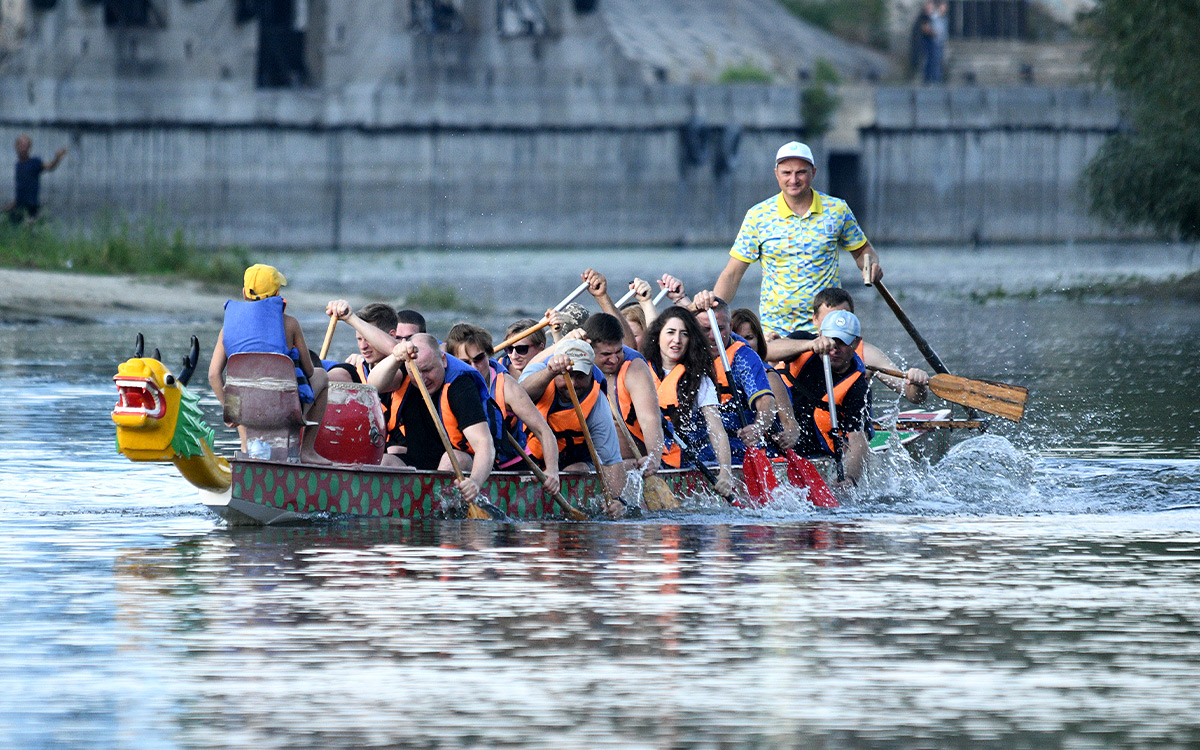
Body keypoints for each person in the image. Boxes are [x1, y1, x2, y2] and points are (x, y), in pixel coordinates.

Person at [713, 141, 883, 336]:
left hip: (828, 327)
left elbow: (863, 251)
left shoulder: (837, 210)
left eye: (801, 172)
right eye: (786, 173)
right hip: (775, 330)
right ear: (776, 174)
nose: (793, 179)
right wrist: (713, 315)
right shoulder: (758, 216)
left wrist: (871, 266)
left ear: (814, 172)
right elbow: (732, 274)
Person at [207, 264, 329, 464]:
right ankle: (306, 450)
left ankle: (246, 450)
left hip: (245, 414)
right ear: (277, 294)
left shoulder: (226, 330)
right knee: (321, 376)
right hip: (283, 411)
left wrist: (230, 412)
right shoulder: (290, 324)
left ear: (244, 293)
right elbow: (308, 370)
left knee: (237, 396)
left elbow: (213, 375)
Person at [366, 333, 494, 504]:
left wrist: (476, 482)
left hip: (462, 464)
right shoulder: (406, 372)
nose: (423, 379)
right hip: (418, 462)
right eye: (416, 372)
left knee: (451, 459)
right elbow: (372, 385)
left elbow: (484, 443)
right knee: (384, 460)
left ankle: (438, 510)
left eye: (428, 370)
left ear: (444, 360)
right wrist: (396, 356)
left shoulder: (460, 387)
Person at [444, 322, 561, 497]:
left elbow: (543, 431)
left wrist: (552, 471)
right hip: (470, 459)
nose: (474, 368)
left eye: (479, 359)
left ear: (489, 355)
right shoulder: (445, 379)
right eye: (466, 362)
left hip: (509, 464)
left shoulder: (506, 386)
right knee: (451, 458)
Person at [518, 338, 627, 517]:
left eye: (580, 376)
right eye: (567, 375)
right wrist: (550, 372)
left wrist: (617, 501)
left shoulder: (597, 402)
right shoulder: (537, 373)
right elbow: (517, 397)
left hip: (573, 461)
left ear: (591, 373)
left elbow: (611, 461)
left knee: (576, 471)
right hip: (528, 455)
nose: (573, 383)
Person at [767, 287, 930, 404]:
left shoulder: (868, 354)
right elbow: (767, 353)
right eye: (830, 321)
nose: (838, 328)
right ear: (816, 320)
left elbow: (914, 397)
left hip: (848, 433)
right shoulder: (800, 343)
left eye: (844, 319)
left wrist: (917, 384)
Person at [641, 306, 734, 498]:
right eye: (671, 332)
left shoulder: (700, 379)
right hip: (648, 457)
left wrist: (725, 472)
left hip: (685, 461)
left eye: (684, 334)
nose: (677, 340)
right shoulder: (640, 372)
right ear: (658, 336)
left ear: (691, 340)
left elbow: (716, 429)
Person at [780, 309, 872, 488]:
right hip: (781, 437)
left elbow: (857, 438)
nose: (834, 348)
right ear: (820, 335)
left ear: (856, 343)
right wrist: (808, 345)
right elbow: (767, 351)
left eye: (842, 342)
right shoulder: (801, 342)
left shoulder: (858, 386)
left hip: (817, 451)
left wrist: (850, 479)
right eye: (830, 340)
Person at [691, 291, 784, 464]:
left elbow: (766, 401)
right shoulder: (683, 351)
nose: (713, 336)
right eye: (705, 330)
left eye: (720, 328)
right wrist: (690, 306)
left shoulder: (743, 357)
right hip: (695, 451)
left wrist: (757, 428)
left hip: (737, 450)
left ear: (730, 325)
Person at [582, 312, 679, 475]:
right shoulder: (575, 364)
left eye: (618, 352)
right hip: (593, 464)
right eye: (606, 354)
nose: (613, 360)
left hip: (637, 463)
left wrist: (653, 458)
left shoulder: (634, 368)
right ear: (587, 347)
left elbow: (649, 418)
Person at [731, 307, 802, 452]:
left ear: (759, 341)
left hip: (763, 450)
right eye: (737, 337)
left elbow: (790, 424)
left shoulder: (769, 376)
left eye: (749, 338)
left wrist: (789, 435)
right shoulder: (720, 374)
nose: (743, 343)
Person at [324, 302, 398, 384]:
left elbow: (395, 349)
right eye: (359, 339)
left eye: (368, 339)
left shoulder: (406, 367)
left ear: (391, 335)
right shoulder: (357, 368)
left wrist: (350, 317)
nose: (363, 346)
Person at [4, 135, 67, 224]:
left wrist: (57, 158)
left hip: (31, 208)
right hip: (19, 206)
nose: (24, 149)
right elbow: (21, 191)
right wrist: (10, 206)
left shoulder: (34, 162)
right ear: (16, 147)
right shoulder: (18, 165)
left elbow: (50, 166)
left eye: (26, 146)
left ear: (29, 148)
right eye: (22, 146)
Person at [499, 317, 547, 381]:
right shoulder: (495, 371)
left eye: (521, 349)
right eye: (509, 349)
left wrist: (557, 334)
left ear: (540, 347)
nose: (514, 356)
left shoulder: (553, 371)